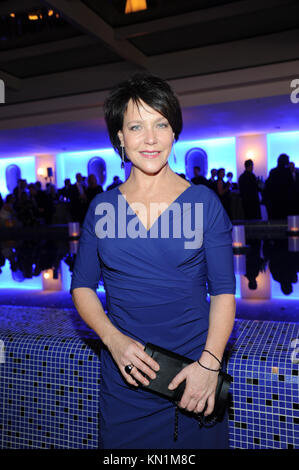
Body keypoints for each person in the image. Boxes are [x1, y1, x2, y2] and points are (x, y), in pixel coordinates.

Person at [70, 73, 236, 449]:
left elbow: (225, 293)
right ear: (120, 138)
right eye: (136, 126)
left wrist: (210, 365)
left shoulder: (203, 203)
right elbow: (82, 286)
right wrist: (113, 341)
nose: (150, 139)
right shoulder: (102, 209)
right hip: (125, 381)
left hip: (193, 378)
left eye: (161, 124)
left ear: (174, 132)